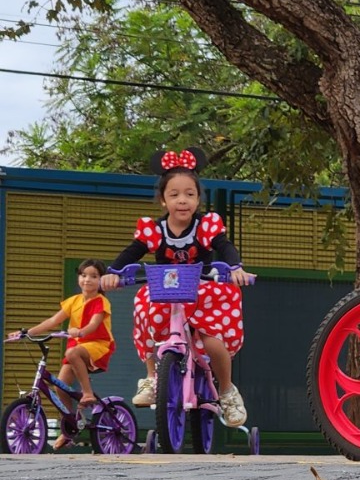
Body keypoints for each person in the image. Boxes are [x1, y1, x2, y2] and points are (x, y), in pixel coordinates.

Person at [102, 149, 253, 427]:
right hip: (166, 292)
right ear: (163, 200)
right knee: (145, 308)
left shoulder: (207, 225)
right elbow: (132, 252)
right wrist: (113, 272)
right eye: (174, 194)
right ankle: (151, 378)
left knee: (212, 339)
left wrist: (235, 267)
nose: (182, 200)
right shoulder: (153, 230)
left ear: (197, 199)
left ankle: (227, 391)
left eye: (189, 194)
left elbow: (224, 246)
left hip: (204, 291)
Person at [22, 259, 115, 449]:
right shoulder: (73, 301)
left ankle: (87, 393)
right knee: (60, 387)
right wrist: (27, 332)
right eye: (83, 275)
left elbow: (94, 324)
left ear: (101, 280)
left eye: (94, 276)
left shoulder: (101, 301)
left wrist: (81, 331)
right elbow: (53, 321)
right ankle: (70, 424)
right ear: (78, 278)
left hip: (98, 345)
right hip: (77, 347)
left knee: (72, 353)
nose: (87, 280)